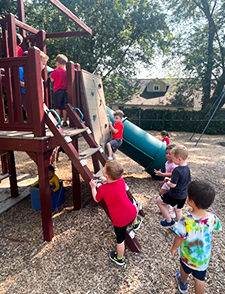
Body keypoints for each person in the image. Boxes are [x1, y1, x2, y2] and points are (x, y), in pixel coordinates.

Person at [171, 180, 222, 294]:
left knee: (184, 270)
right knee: (199, 278)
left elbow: (179, 237)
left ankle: (183, 284)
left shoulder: (186, 219)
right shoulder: (213, 218)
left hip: (188, 255)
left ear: (191, 201)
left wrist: (174, 248)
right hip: (203, 257)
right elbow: (215, 228)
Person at [89, 160, 142, 266]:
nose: (102, 170)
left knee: (120, 239)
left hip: (120, 220)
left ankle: (120, 258)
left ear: (107, 175)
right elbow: (114, 184)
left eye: (103, 169)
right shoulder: (121, 181)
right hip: (131, 213)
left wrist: (93, 187)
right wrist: (106, 180)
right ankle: (135, 223)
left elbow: (96, 198)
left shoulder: (103, 189)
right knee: (132, 204)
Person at [156, 145, 191, 226]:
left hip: (174, 195)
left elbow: (173, 185)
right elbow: (186, 181)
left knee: (159, 201)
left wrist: (167, 181)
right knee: (178, 210)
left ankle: (169, 221)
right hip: (183, 195)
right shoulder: (187, 168)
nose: (172, 159)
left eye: (173, 158)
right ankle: (180, 227)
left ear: (179, 159)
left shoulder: (176, 170)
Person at [154, 144, 177, 218]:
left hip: (173, 183)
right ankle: (166, 206)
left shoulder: (174, 164)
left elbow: (171, 174)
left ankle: (174, 211)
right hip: (167, 182)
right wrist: (164, 181)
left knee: (174, 197)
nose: (168, 155)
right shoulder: (167, 163)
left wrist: (162, 174)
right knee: (161, 193)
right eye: (166, 153)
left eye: (170, 153)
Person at [50, 54, 68, 127]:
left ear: (57, 63)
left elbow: (51, 79)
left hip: (57, 90)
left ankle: (59, 120)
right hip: (65, 91)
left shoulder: (55, 71)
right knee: (64, 107)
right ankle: (65, 121)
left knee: (57, 106)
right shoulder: (66, 72)